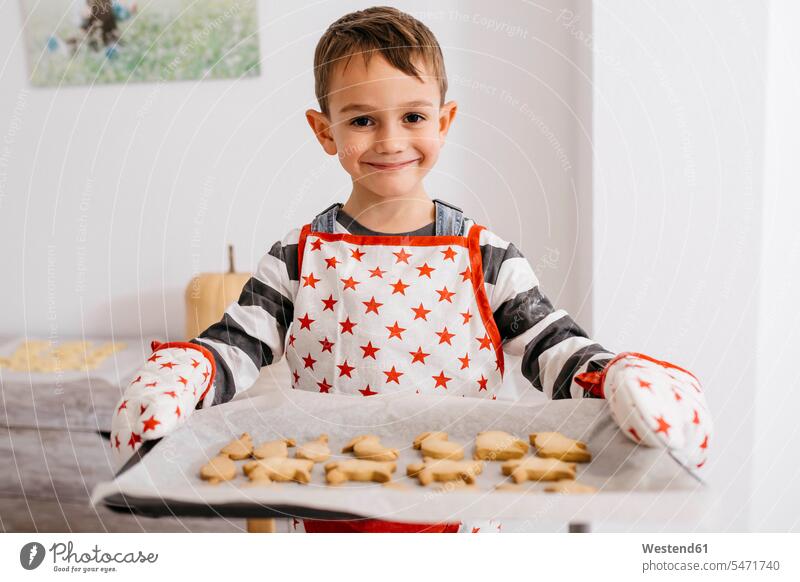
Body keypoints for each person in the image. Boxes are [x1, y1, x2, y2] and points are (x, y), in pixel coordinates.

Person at [110, 6, 712, 533]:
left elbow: (555, 349)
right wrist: (184, 372)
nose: (390, 139)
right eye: (362, 119)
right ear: (325, 132)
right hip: (327, 509)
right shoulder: (297, 256)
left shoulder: (488, 257)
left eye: (414, 117)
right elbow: (236, 347)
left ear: (445, 122)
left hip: (461, 516)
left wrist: (618, 377)